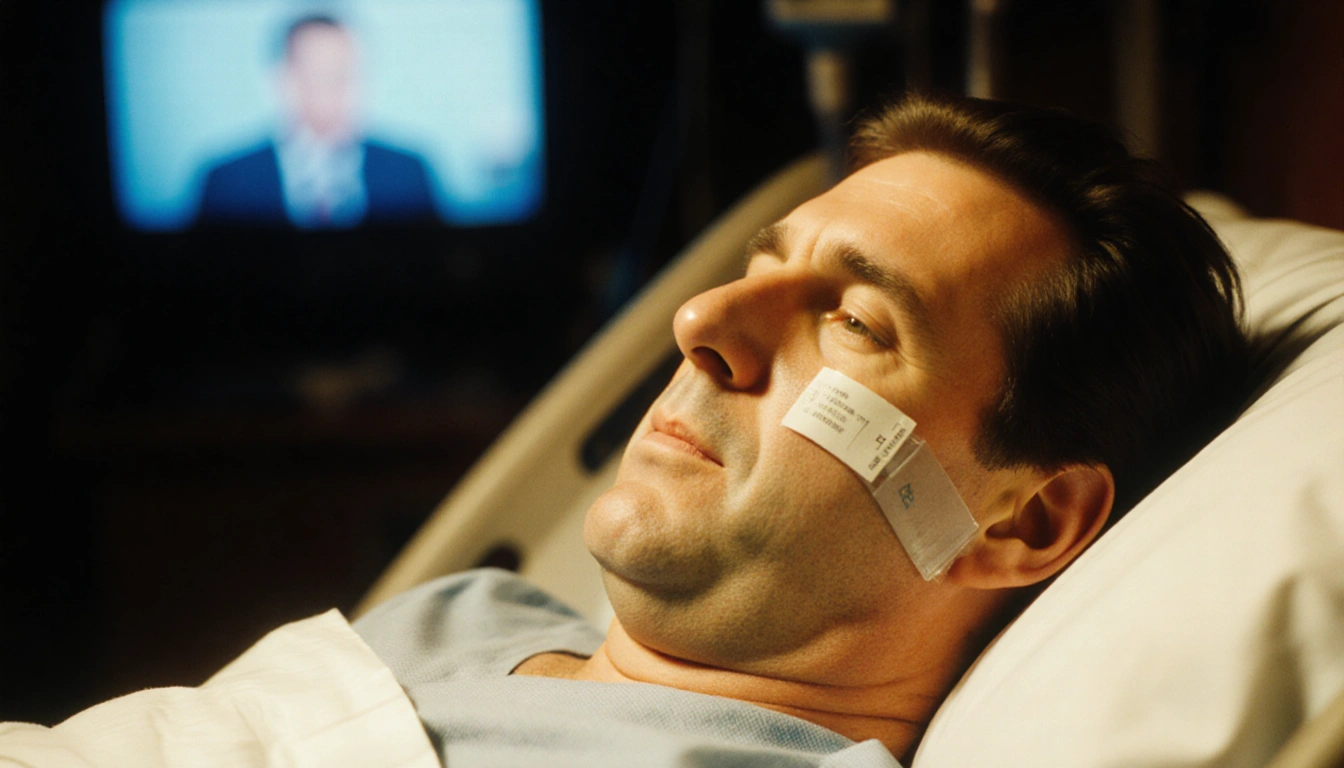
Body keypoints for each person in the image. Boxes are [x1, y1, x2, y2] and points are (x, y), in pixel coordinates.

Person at [352, 93, 1250, 765]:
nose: (700, 319)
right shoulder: (467, 613)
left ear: (1022, 521)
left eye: (855, 322)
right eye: (758, 268)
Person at [196, 14, 437, 228]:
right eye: (324, 72)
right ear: (283, 80)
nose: (342, 87)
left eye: (350, 72)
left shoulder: (409, 171)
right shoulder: (228, 180)